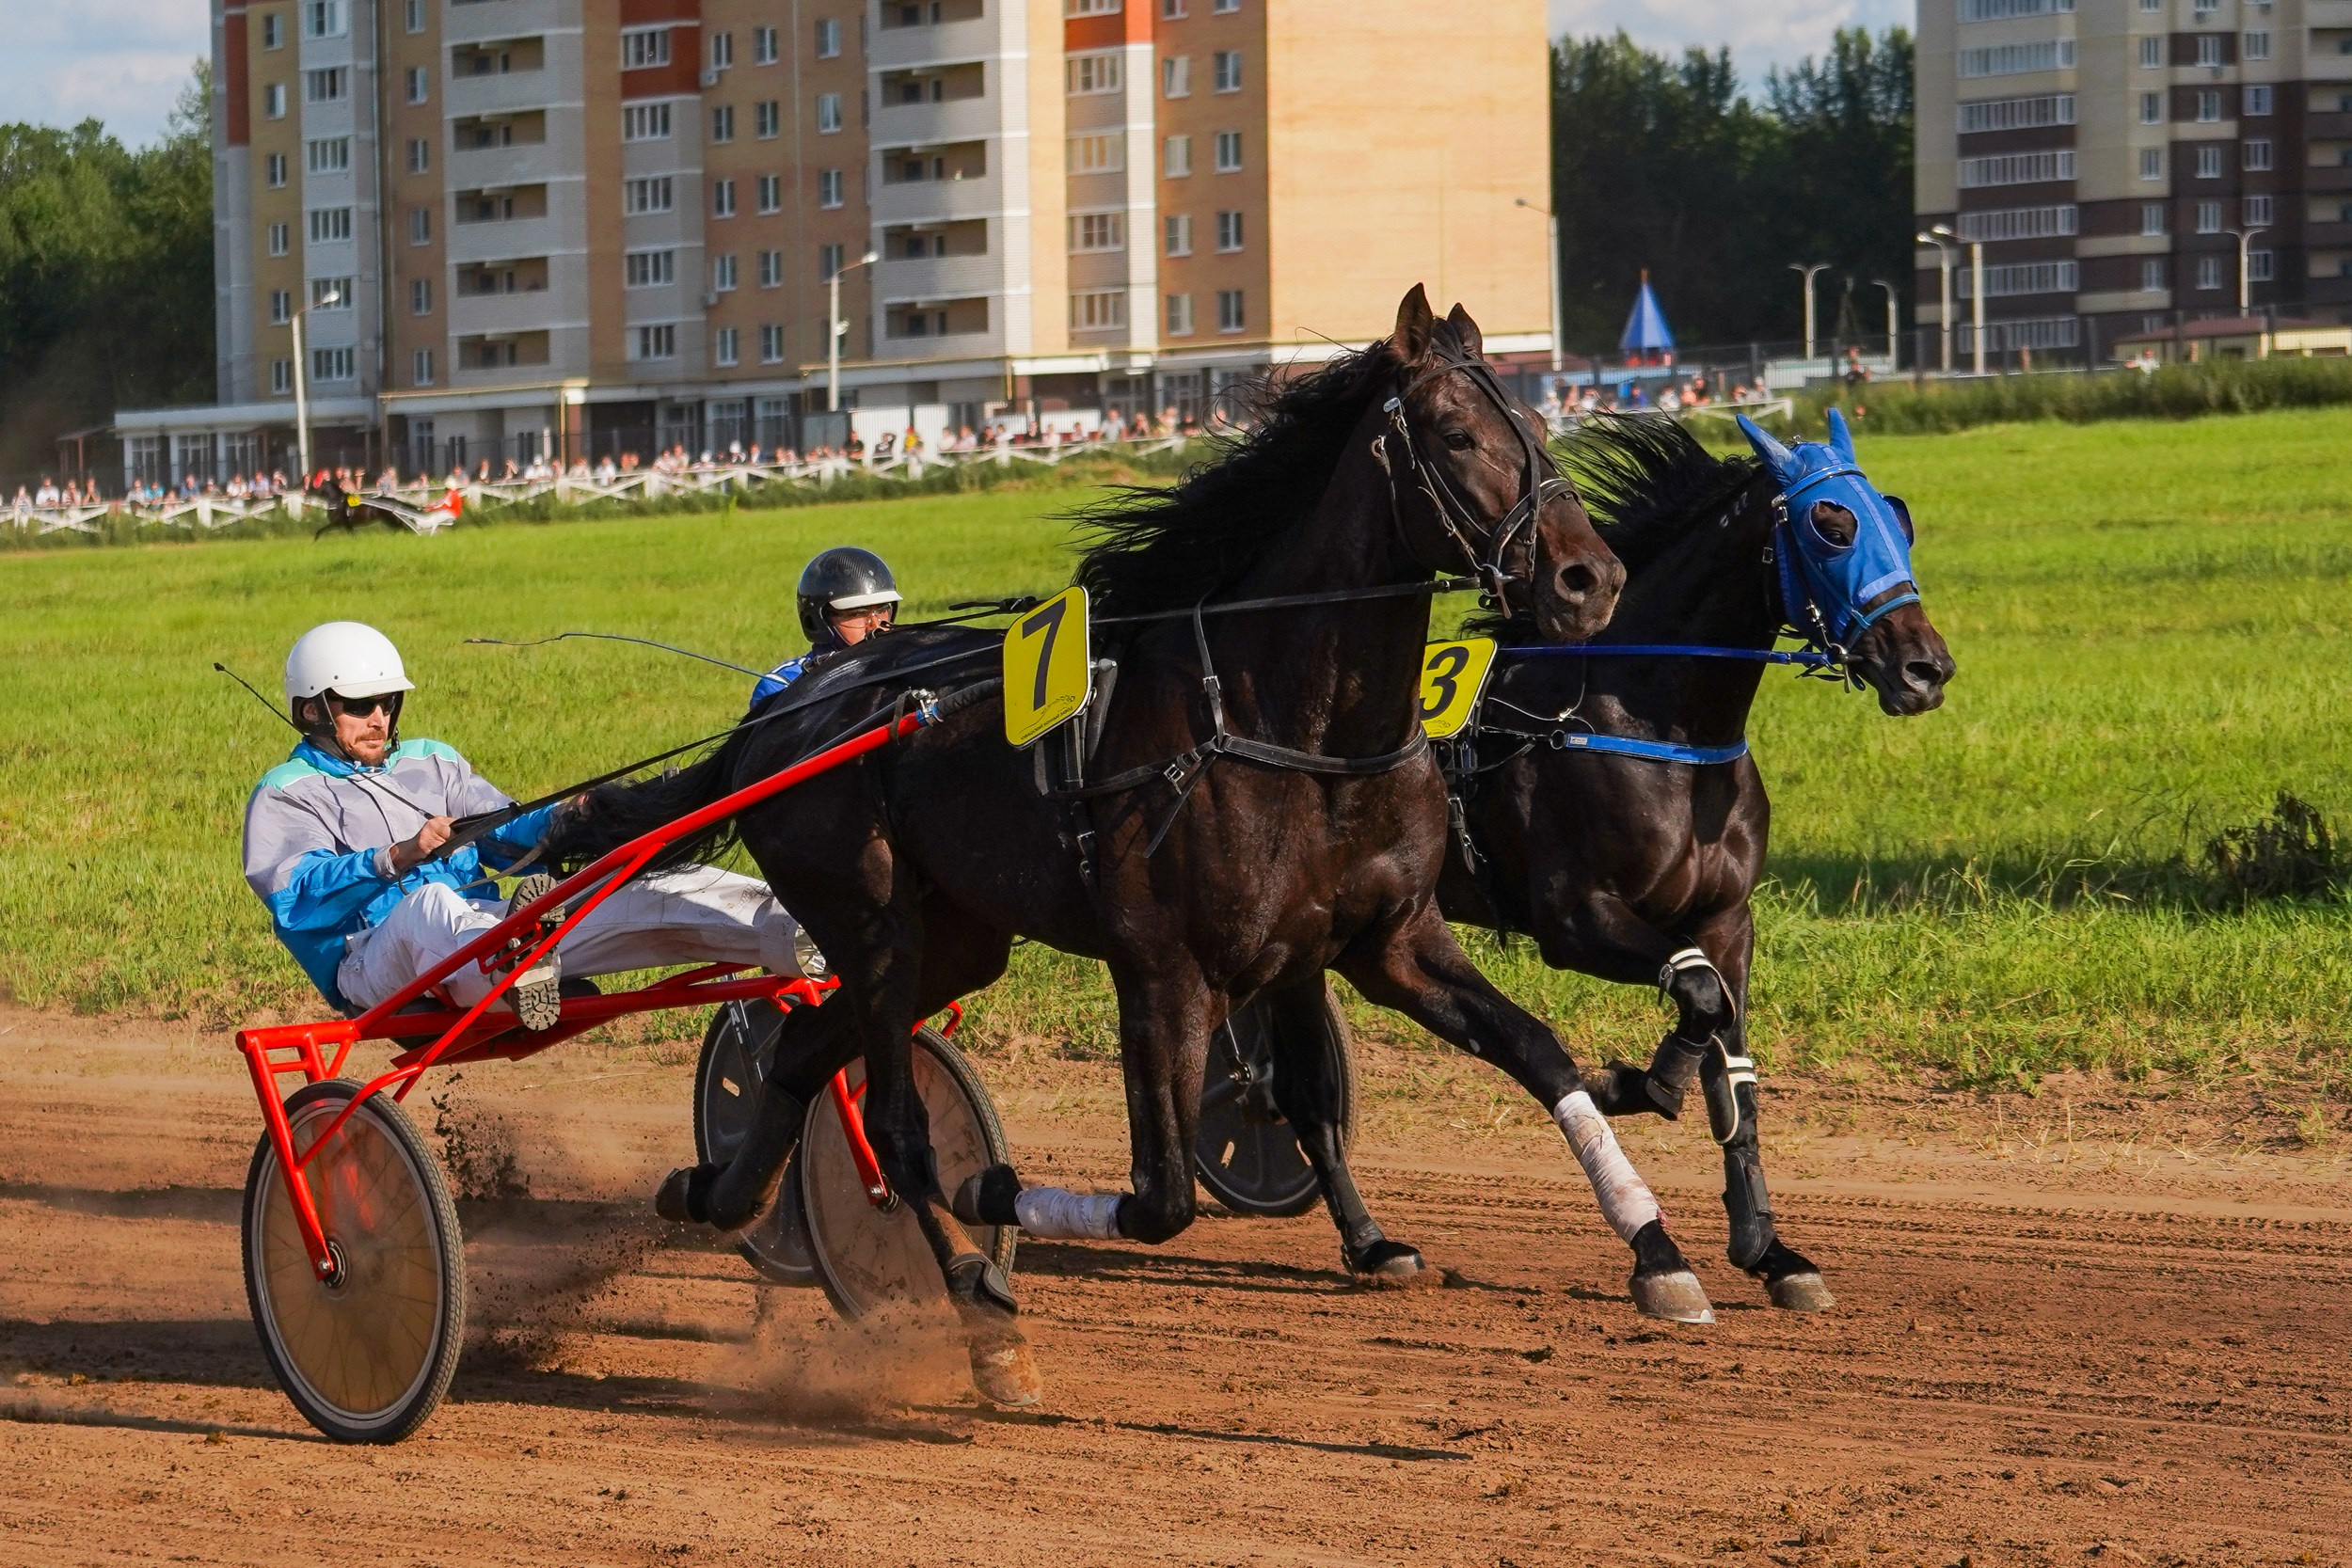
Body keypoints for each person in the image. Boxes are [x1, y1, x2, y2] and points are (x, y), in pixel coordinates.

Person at [244, 622, 816, 1031]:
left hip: (492, 933)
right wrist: (395, 856)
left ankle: (802, 930)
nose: (379, 718)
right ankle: (516, 964)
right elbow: (294, 897)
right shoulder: (286, 792)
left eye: (388, 702)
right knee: (431, 904)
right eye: (359, 704)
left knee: (645, 881)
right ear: (313, 709)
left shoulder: (432, 760)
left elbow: (510, 831)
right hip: (373, 962)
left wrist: (581, 816)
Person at [746, 547, 902, 710]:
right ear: (818, 620)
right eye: (857, 613)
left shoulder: (907, 668)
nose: (875, 625)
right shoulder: (781, 685)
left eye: (882, 610)